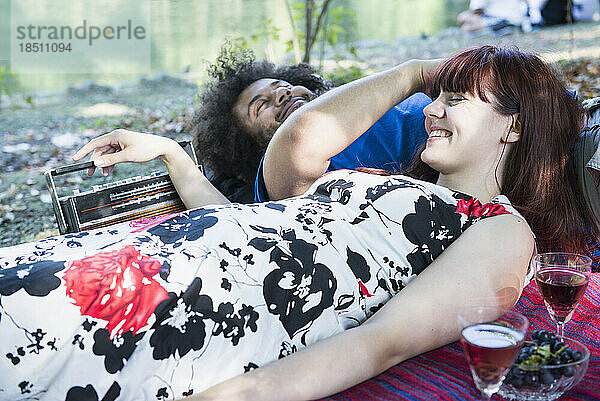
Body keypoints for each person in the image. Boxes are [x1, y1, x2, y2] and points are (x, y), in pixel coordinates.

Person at [1, 46, 597, 401]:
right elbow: (271, 209)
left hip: (194, 302)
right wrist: (171, 155)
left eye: (456, 99)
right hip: (162, 256)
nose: (433, 110)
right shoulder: (403, 185)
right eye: (435, 96)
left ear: (514, 127)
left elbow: (378, 344)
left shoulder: (502, 228)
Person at [189, 44, 430, 203]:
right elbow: (299, 135)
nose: (282, 94)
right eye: (261, 106)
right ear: (241, 148)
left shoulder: (350, 103)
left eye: (283, 85)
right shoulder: (281, 174)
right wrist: (416, 73)